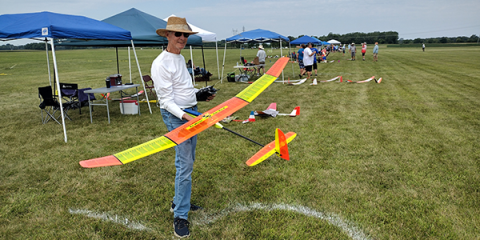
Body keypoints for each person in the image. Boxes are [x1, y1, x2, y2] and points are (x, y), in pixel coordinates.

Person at [152, 16, 215, 238]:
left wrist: (199, 95)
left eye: (185, 35)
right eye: (177, 34)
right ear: (167, 35)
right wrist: (186, 117)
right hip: (176, 116)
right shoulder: (160, 63)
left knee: (188, 160)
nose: (182, 38)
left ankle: (179, 201)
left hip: (190, 111)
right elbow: (166, 101)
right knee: (185, 165)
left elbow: (183, 89)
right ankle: (180, 214)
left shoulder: (180, 57)